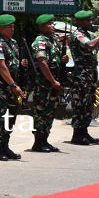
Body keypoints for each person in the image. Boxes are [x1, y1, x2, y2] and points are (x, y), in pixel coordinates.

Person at [0, 14, 29, 160]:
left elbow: (12, 62)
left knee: (11, 116)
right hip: (1, 86)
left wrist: (21, 63)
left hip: (13, 85)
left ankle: (6, 146)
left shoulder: (13, 43)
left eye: (13, 26)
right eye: (9, 27)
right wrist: (13, 85)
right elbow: (1, 67)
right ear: (0, 28)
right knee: (0, 117)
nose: (12, 29)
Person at [69, 11, 99, 145]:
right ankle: (77, 134)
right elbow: (90, 45)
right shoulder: (78, 34)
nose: (91, 22)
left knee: (88, 104)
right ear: (80, 22)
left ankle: (84, 132)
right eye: (88, 20)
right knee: (80, 104)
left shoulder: (91, 34)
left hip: (91, 75)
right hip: (81, 75)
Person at [30, 14, 69, 152]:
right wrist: (53, 81)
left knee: (50, 112)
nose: (52, 26)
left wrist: (64, 59)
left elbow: (56, 59)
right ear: (41, 27)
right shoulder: (40, 41)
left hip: (54, 82)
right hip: (44, 83)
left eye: (53, 23)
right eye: (49, 24)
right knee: (41, 112)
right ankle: (38, 142)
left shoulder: (54, 40)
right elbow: (42, 62)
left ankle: (45, 140)